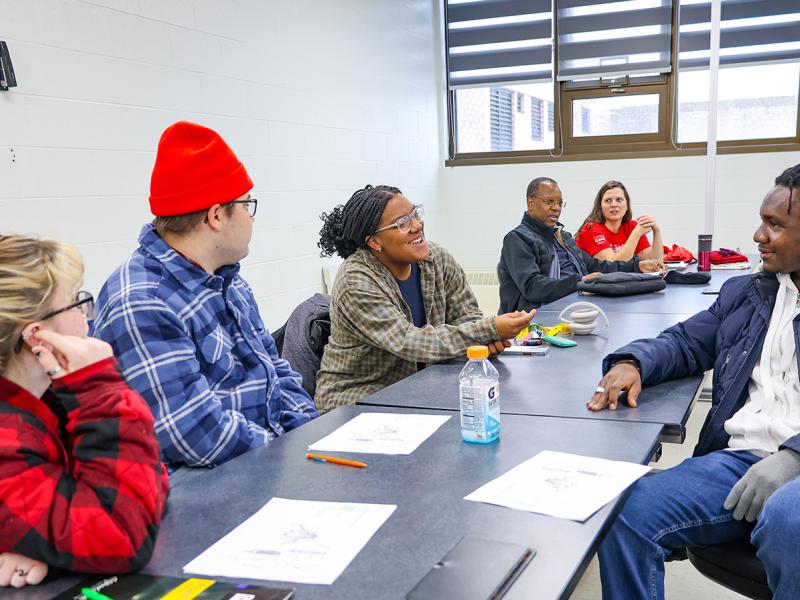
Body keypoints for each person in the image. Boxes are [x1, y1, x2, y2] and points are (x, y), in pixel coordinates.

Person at [589, 164, 800, 600]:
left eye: (775, 225)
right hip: (739, 461)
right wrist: (634, 362)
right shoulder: (748, 292)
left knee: (786, 518)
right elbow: (686, 341)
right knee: (626, 510)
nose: (759, 235)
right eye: (762, 221)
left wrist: (793, 457)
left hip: (794, 470)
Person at [92, 121, 318, 471]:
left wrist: (309, 436)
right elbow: (193, 433)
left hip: (264, 461)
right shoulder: (142, 301)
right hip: (202, 488)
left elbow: (276, 373)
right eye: (247, 205)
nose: (251, 218)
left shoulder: (229, 281)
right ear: (216, 216)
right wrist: (284, 454)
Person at [0, 235, 168, 586]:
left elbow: (151, 483)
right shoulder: (7, 437)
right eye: (76, 303)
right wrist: (100, 390)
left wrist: (45, 551)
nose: (86, 316)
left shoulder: (45, 400)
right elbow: (124, 533)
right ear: (36, 336)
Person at [315, 185, 534, 411]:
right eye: (402, 223)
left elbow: (467, 317)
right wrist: (489, 329)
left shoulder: (436, 258)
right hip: (356, 401)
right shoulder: (356, 282)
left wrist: (486, 341)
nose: (417, 226)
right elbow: (412, 342)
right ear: (374, 242)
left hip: (419, 389)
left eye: (415, 214)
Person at [498, 177, 662, 312]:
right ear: (531, 203)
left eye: (560, 203)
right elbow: (532, 287)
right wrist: (580, 281)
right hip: (537, 318)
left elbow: (594, 265)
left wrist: (638, 266)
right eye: (549, 202)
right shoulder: (517, 239)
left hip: (575, 305)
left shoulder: (562, 237)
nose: (556, 208)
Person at [575, 180, 664, 262]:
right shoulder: (590, 229)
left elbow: (655, 262)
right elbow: (613, 265)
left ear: (627, 205)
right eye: (608, 200)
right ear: (600, 206)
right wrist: (636, 233)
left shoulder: (632, 226)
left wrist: (656, 231)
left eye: (619, 200)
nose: (614, 204)